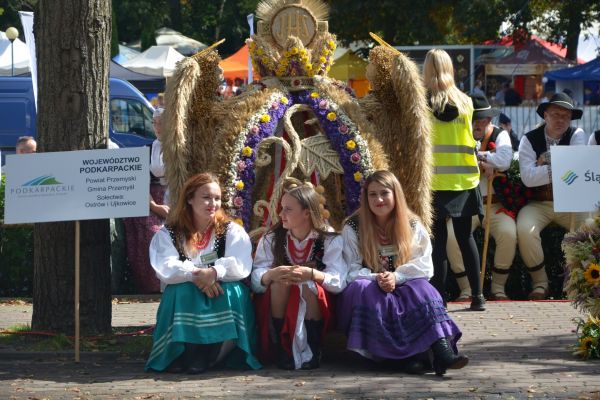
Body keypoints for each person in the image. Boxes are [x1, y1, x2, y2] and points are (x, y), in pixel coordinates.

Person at [338, 170, 468, 376]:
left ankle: (442, 352)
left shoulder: (412, 224)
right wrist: (378, 278)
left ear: (395, 195)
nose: (378, 199)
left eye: (384, 193)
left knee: (423, 288)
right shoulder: (353, 227)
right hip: (369, 283)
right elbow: (349, 270)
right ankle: (398, 359)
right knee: (363, 289)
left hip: (403, 281)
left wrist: (396, 277)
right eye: (372, 194)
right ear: (365, 197)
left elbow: (424, 266)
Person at [145, 172, 261, 373]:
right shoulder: (170, 232)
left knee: (233, 290)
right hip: (188, 285)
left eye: (217, 198)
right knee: (180, 290)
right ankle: (184, 352)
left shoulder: (231, 230)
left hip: (220, 285)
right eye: (206, 197)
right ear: (189, 199)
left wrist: (215, 272)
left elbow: (241, 263)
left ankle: (213, 352)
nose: (213, 203)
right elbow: (165, 266)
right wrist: (196, 275)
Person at [251, 179, 346, 370]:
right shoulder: (272, 238)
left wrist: (312, 274)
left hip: (318, 300)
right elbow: (256, 275)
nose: (280, 214)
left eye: (288, 209)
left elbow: (338, 281)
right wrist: (272, 275)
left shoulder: (327, 238)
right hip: (281, 297)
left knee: (310, 287)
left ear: (306, 213)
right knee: (280, 283)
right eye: (282, 208)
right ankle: (282, 347)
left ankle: (313, 347)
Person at [423, 48, 485, 311]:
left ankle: (440, 300)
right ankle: (478, 297)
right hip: (465, 180)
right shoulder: (467, 102)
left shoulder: (422, 103)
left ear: (427, 70)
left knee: (437, 243)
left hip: (435, 183)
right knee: (464, 238)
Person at [517, 92, 587, 300]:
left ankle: (579, 282)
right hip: (540, 203)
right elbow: (528, 179)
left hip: (572, 201)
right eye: (556, 114)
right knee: (524, 228)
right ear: (545, 115)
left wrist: (546, 161)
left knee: (592, 227)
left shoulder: (577, 134)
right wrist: (562, 165)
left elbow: (577, 165)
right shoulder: (528, 139)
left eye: (565, 116)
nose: (561, 120)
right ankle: (540, 283)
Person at [447, 95, 515, 301]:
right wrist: (482, 160)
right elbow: (451, 158)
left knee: (509, 233)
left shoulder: (500, 134)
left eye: (483, 119)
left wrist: (481, 158)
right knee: (451, 237)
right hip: (465, 204)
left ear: (490, 120)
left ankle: (498, 288)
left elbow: (504, 160)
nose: (479, 123)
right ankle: (466, 289)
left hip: (493, 205)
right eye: (475, 118)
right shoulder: (458, 132)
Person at [123, 108, 169, 293]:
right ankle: (153, 285)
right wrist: (155, 206)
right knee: (153, 232)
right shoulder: (147, 150)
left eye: (162, 122)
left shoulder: (182, 149)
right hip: (152, 199)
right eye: (155, 123)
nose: (157, 127)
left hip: (179, 198)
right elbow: (138, 182)